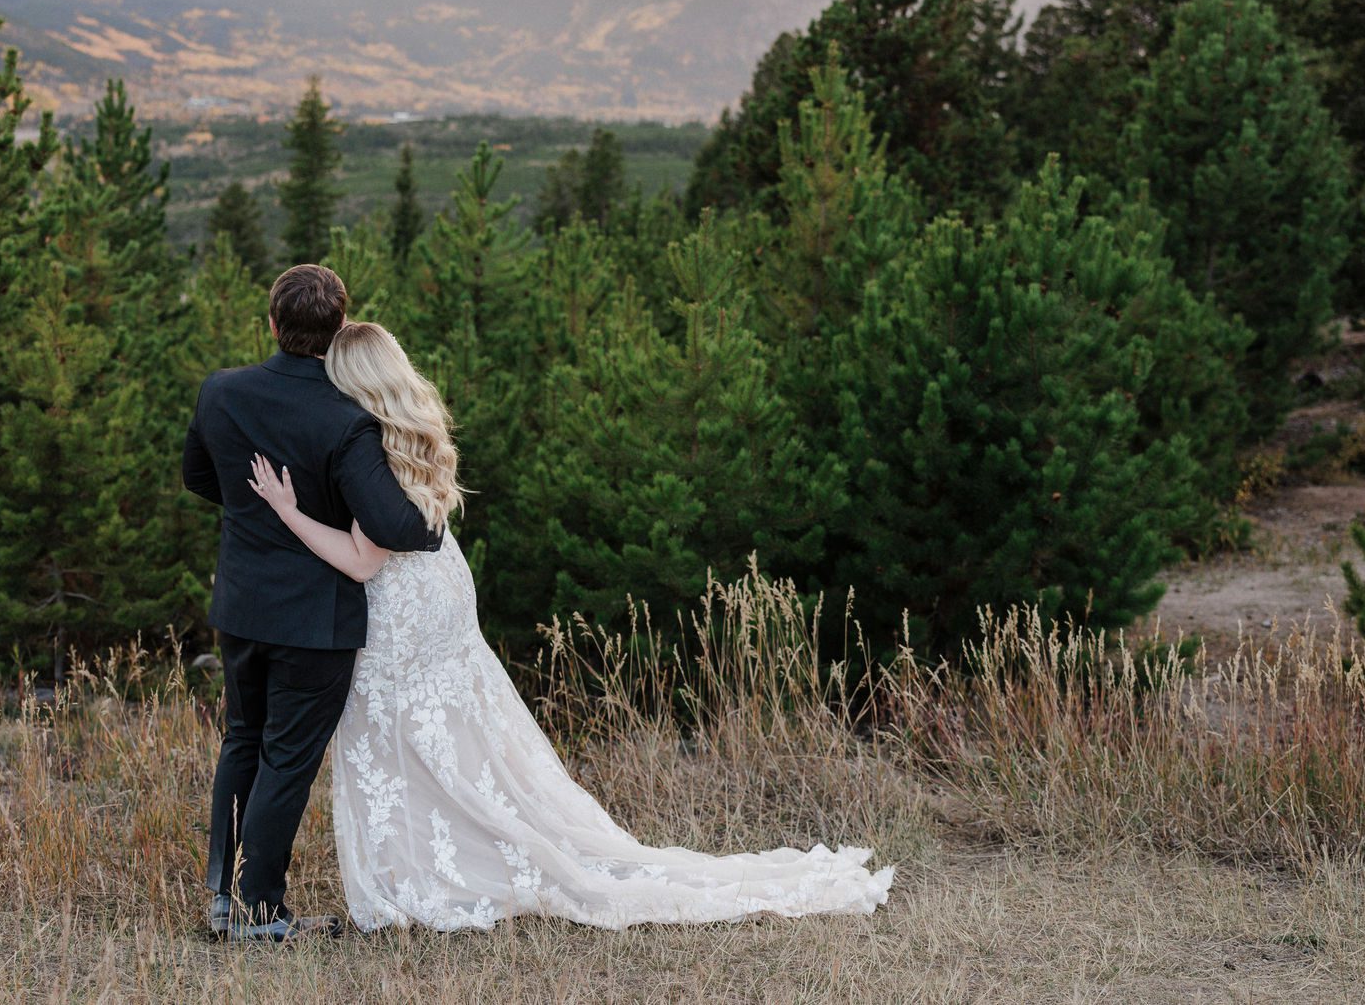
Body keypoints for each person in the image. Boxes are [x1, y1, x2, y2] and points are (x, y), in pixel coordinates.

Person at [248, 319, 895, 932]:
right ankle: (443, 861)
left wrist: (289, 512)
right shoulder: (413, 430)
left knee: (397, 735)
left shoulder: (364, 445)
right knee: (454, 738)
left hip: (399, 604)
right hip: (441, 589)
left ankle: (421, 877)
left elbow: (363, 561)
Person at [182, 266, 443, 944]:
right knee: (287, 759)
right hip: (315, 623)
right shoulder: (348, 420)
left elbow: (197, 475)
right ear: (336, 332)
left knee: (242, 741)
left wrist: (258, 514)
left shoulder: (221, 392)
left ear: (272, 323)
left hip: (240, 605)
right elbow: (394, 525)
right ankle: (255, 910)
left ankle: (225, 891)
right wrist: (432, 520)